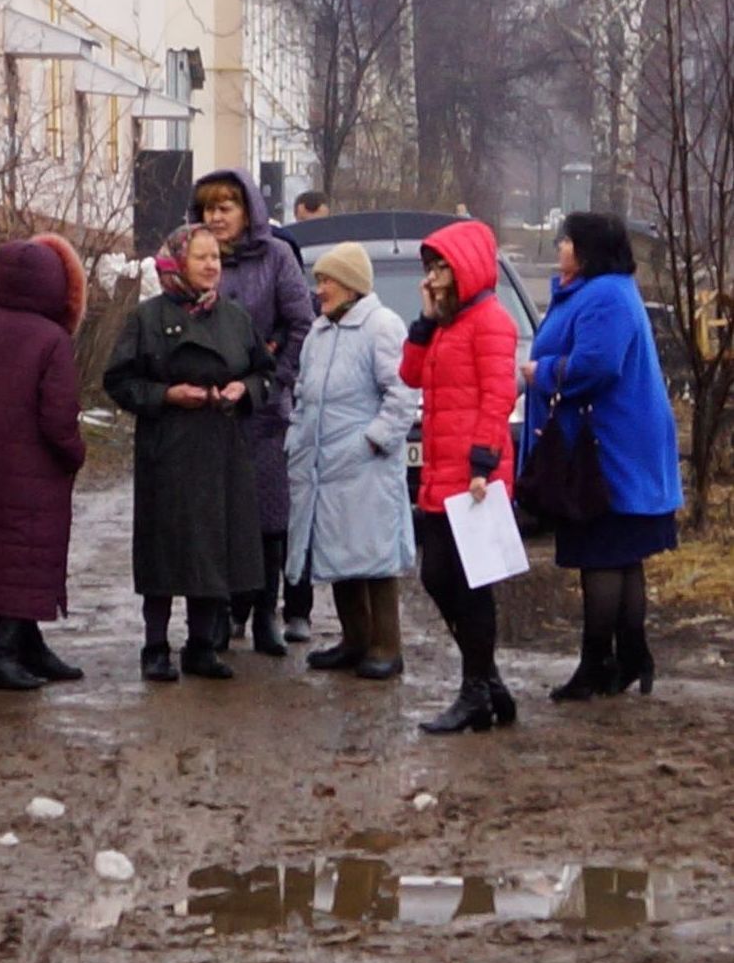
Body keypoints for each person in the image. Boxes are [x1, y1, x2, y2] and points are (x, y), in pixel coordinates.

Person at [105, 223, 273, 683]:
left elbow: (266, 373)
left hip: (222, 449)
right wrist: (166, 396)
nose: (211, 265)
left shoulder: (235, 318)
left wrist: (245, 389)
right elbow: (118, 382)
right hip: (169, 450)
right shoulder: (148, 318)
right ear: (178, 262)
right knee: (164, 550)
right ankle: (154, 646)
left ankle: (201, 645)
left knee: (211, 549)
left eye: (216, 257)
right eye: (201, 257)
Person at [524, 211, 681, 700]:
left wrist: (539, 372)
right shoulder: (604, 290)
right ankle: (630, 657)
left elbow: (596, 365)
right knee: (622, 555)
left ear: (587, 249)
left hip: (607, 451)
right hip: (617, 445)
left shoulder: (605, 295)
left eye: (566, 240)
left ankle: (596, 665)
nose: (559, 246)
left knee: (602, 554)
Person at [0, 235, 90, 692]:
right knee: (28, 557)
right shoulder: (52, 340)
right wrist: (74, 454)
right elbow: (58, 417)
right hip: (37, 475)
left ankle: (29, 645)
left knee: (5, 557)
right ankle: (1, 653)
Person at [401, 217, 521, 735]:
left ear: (465, 266)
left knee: (472, 587)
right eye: (429, 267)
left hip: (473, 473)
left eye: (441, 266)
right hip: (439, 469)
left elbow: (499, 396)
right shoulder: (448, 324)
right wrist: (425, 321)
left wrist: (482, 464)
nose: (432, 275)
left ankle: (475, 691)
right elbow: (410, 374)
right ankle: (488, 682)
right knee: (435, 576)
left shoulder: (491, 321)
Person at [192, 170, 315, 652]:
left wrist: (275, 379)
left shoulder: (277, 256)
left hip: (264, 413)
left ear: (248, 212)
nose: (216, 217)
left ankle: (267, 613)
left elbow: (301, 322)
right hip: (208, 411)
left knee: (268, 519)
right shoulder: (196, 256)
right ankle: (221, 614)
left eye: (226, 207)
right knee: (215, 518)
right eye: (208, 209)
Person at [283, 244, 415, 683]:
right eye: (318, 280)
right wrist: (296, 439)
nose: (319, 289)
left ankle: (386, 646)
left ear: (352, 285)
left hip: (366, 465)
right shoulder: (320, 333)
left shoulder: (382, 327)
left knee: (373, 554)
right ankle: (355, 639)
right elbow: (303, 394)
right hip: (325, 466)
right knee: (338, 552)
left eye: (327, 281)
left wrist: (374, 441)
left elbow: (401, 394)